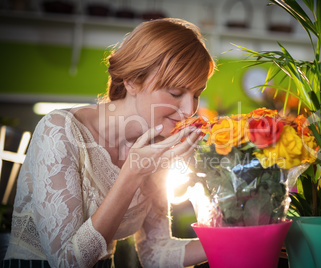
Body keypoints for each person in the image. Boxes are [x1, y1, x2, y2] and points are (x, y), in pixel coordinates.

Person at [3, 18, 215, 267]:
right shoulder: (61, 130)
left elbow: (156, 251)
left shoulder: (156, 148)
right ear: (132, 81)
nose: (190, 109)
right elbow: (65, 262)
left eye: (197, 94)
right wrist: (132, 174)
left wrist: (238, 239)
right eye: (176, 93)